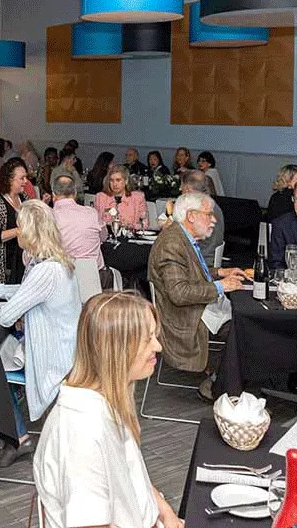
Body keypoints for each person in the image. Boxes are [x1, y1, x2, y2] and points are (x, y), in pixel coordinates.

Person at [33, 291, 185, 528]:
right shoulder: (83, 432)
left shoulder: (106, 400)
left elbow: (132, 474)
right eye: (147, 339)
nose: (157, 346)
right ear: (117, 349)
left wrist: (165, 511)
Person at [0, 201, 80, 467]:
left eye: (21, 227)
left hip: (52, 356)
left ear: (31, 232)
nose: (18, 232)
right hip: (67, 347)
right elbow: (23, 291)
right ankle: (16, 434)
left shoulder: (45, 271)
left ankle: (16, 437)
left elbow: (5, 316)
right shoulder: (54, 262)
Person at [148, 193, 246, 391]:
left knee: (242, 319)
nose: (214, 220)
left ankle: (225, 378)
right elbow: (179, 293)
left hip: (193, 310)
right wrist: (222, 286)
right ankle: (220, 385)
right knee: (241, 327)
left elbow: (188, 274)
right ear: (191, 216)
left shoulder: (182, 237)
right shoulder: (173, 243)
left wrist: (219, 272)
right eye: (209, 214)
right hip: (182, 318)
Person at [52, 173, 108, 281]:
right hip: (94, 277)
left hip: (62, 278)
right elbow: (104, 237)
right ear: (75, 193)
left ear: (53, 194)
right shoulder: (92, 213)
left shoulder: (49, 217)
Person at [0, 160, 30, 284]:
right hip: (6, 266)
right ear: (10, 180)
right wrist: (18, 231)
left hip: (23, 261)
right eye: (22, 178)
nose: (26, 181)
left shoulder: (24, 198)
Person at [180, 169, 225, 267]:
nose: (180, 190)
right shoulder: (213, 205)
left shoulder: (198, 210)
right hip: (210, 257)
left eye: (182, 186)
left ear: (187, 188)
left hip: (200, 262)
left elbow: (182, 237)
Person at [95, 165, 148, 230]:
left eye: (118, 180)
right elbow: (96, 223)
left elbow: (144, 224)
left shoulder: (138, 198)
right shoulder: (101, 197)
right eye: (111, 180)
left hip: (131, 236)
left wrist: (127, 226)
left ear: (126, 181)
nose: (114, 184)